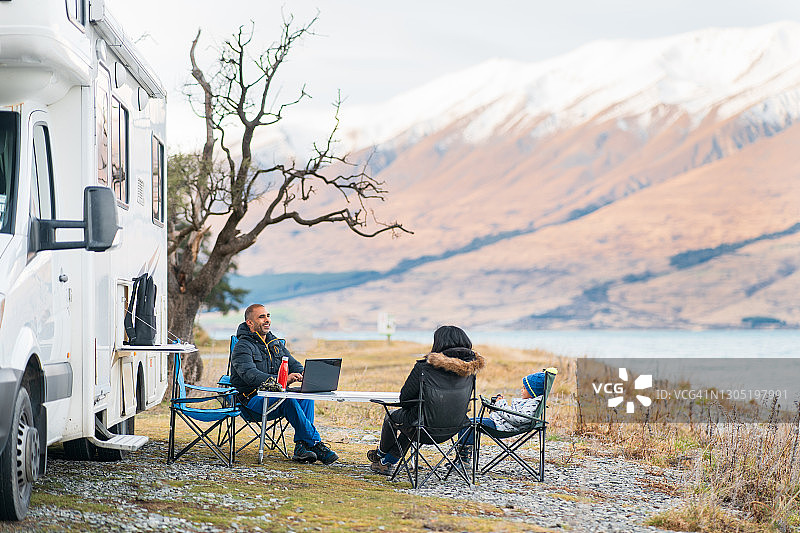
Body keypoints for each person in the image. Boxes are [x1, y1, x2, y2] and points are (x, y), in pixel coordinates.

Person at [367, 325, 485, 475]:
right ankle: (385, 462)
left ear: (439, 343)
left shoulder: (425, 367)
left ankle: (381, 454)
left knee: (396, 418)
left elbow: (405, 398)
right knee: (415, 421)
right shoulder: (471, 369)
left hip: (425, 428)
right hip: (455, 426)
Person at [230, 303, 338, 464]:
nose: (267, 320)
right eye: (261, 317)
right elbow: (250, 375)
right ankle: (315, 443)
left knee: (306, 396)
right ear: (250, 323)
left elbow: (294, 364)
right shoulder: (242, 346)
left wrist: (305, 375)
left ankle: (301, 447)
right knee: (287, 400)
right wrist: (283, 380)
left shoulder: (275, 343)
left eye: (268, 316)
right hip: (251, 401)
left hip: (276, 398)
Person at [457, 370, 551, 462]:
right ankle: (460, 459)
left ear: (533, 391)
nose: (521, 390)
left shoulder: (532, 404)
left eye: (524, 388)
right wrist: (497, 405)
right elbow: (514, 414)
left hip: (503, 427)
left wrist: (501, 404)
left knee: (469, 424)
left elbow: (518, 418)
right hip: (503, 424)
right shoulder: (529, 402)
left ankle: (464, 461)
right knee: (468, 421)